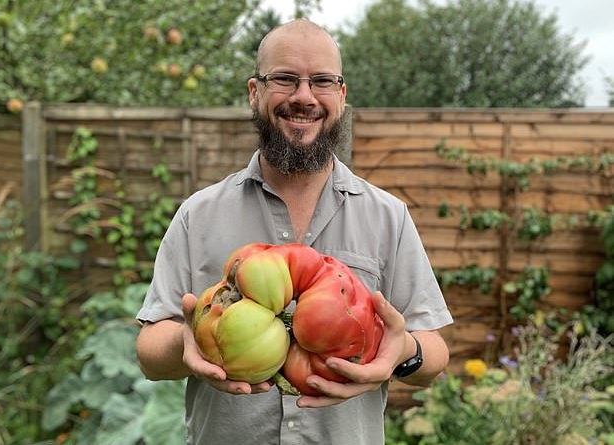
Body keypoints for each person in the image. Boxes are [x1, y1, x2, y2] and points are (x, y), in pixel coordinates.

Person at [136, 19, 453, 445]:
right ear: (255, 92)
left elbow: (433, 354)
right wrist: (188, 343)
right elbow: (150, 355)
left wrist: (405, 353)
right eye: (285, 79)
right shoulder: (200, 213)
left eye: (321, 81)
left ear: (340, 96)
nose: (304, 97)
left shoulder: (387, 216)